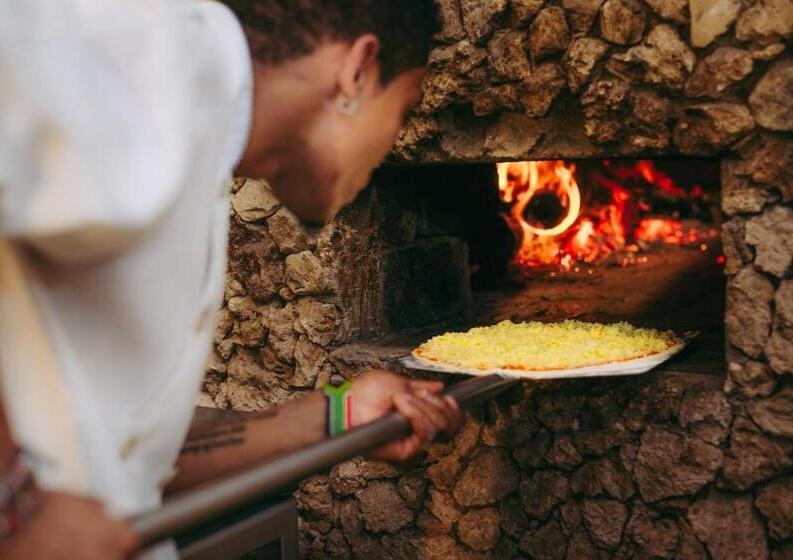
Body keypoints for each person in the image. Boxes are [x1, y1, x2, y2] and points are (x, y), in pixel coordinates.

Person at [0, 1, 458, 558]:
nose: (389, 146)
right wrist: (16, 508)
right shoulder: (134, 51)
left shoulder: (204, 140)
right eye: (404, 111)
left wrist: (336, 418)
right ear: (357, 71)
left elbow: (125, 462)